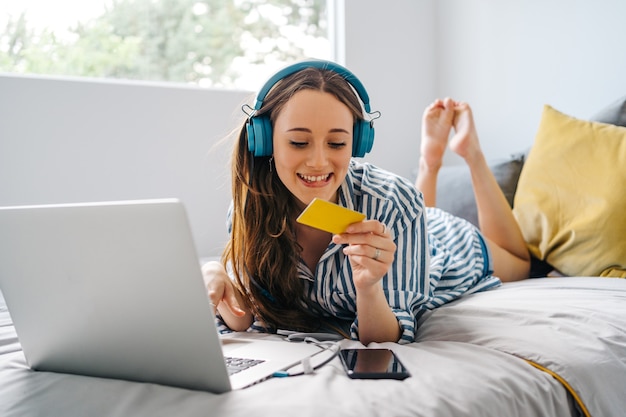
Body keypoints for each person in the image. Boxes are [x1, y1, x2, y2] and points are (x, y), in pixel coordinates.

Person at [202, 60, 530, 345]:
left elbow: (387, 338)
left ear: (358, 142)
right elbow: (247, 318)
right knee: (414, 209)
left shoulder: (395, 200)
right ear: (264, 140)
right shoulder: (252, 206)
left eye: (337, 142)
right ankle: (429, 162)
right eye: (299, 142)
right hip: (411, 218)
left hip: (446, 244)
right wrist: (216, 275)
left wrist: (369, 286)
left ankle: (469, 153)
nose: (318, 161)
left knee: (522, 263)